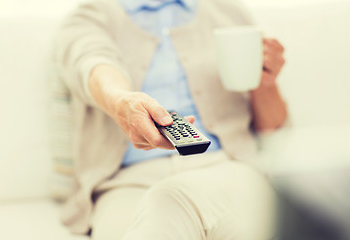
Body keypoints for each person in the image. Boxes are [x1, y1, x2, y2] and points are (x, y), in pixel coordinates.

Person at [54, 0, 287, 239]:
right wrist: (121, 101)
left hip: (225, 166)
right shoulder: (91, 15)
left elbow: (272, 126)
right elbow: (91, 63)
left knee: (174, 202)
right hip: (129, 182)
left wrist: (265, 82)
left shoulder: (227, 11)